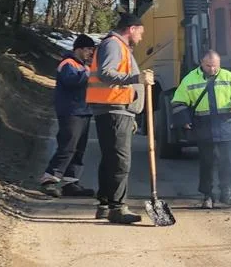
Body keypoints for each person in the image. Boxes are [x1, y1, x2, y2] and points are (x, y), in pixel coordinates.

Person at [88, 14, 155, 225]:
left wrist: (131, 110)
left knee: (111, 158)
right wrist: (137, 78)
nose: (141, 38)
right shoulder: (114, 45)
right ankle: (117, 207)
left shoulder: (117, 45)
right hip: (113, 109)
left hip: (117, 109)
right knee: (120, 160)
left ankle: (105, 205)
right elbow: (106, 73)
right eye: (141, 32)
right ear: (131, 28)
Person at [171, 49, 231, 208]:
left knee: (227, 162)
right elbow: (178, 102)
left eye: (215, 66)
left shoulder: (229, 77)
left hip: (226, 126)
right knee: (206, 163)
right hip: (204, 127)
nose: (212, 69)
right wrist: (184, 120)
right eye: (208, 66)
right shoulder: (190, 79)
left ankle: (226, 193)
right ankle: (207, 195)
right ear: (201, 62)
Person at [39, 34, 97, 197]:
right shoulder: (68, 64)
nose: (90, 53)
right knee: (68, 146)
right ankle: (49, 179)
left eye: (92, 50)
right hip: (70, 111)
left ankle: (71, 182)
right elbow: (72, 81)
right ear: (78, 49)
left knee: (79, 149)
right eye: (88, 49)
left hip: (84, 111)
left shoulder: (84, 66)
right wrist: (90, 73)